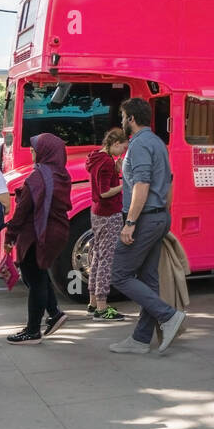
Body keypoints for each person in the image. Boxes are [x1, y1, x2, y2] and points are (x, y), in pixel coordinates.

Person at [110, 98, 186, 352]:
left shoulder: (140, 144)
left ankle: (167, 315)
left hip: (145, 218)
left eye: (123, 116)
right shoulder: (156, 142)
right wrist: (164, 214)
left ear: (131, 118)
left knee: (118, 274)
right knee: (149, 278)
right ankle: (141, 340)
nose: (121, 120)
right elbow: (170, 181)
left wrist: (130, 223)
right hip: (158, 215)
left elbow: (141, 186)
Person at [6, 132, 71, 345]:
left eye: (34, 148)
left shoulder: (37, 178)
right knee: (40, 275)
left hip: (37, 233)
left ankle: (33, 331)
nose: (32, 152)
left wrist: (10, 235)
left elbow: (23, 211)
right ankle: (54, 313)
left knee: (34, 280)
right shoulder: (61, 174)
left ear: (45, 151)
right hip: (55, 232)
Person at [85, 128, 129, 320]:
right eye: (123, 149)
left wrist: (117, 170)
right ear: (116, 143)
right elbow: (104, 192)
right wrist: (124, 184)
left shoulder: (95, 157)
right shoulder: (106, 162)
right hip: (109, 214)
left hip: (96, 213)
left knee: (96, 256)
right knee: (105, 260)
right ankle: (103, 307)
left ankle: (93, 302)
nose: (123, 153)